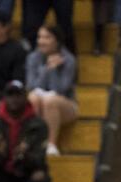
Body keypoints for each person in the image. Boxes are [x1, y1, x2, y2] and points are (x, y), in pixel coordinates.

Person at [25, 24, 77, 157]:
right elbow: (32, 85)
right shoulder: (32, 58)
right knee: (32, 97)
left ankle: (51, 145)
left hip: (66, 104)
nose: (41, 41)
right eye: (40, 37)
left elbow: (61, 89)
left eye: (47, 37)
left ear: (57, 40)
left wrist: (54, 70)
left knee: (50, 100)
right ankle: (33, 143)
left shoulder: (69, 59)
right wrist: (47, 68)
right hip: (39, 101)